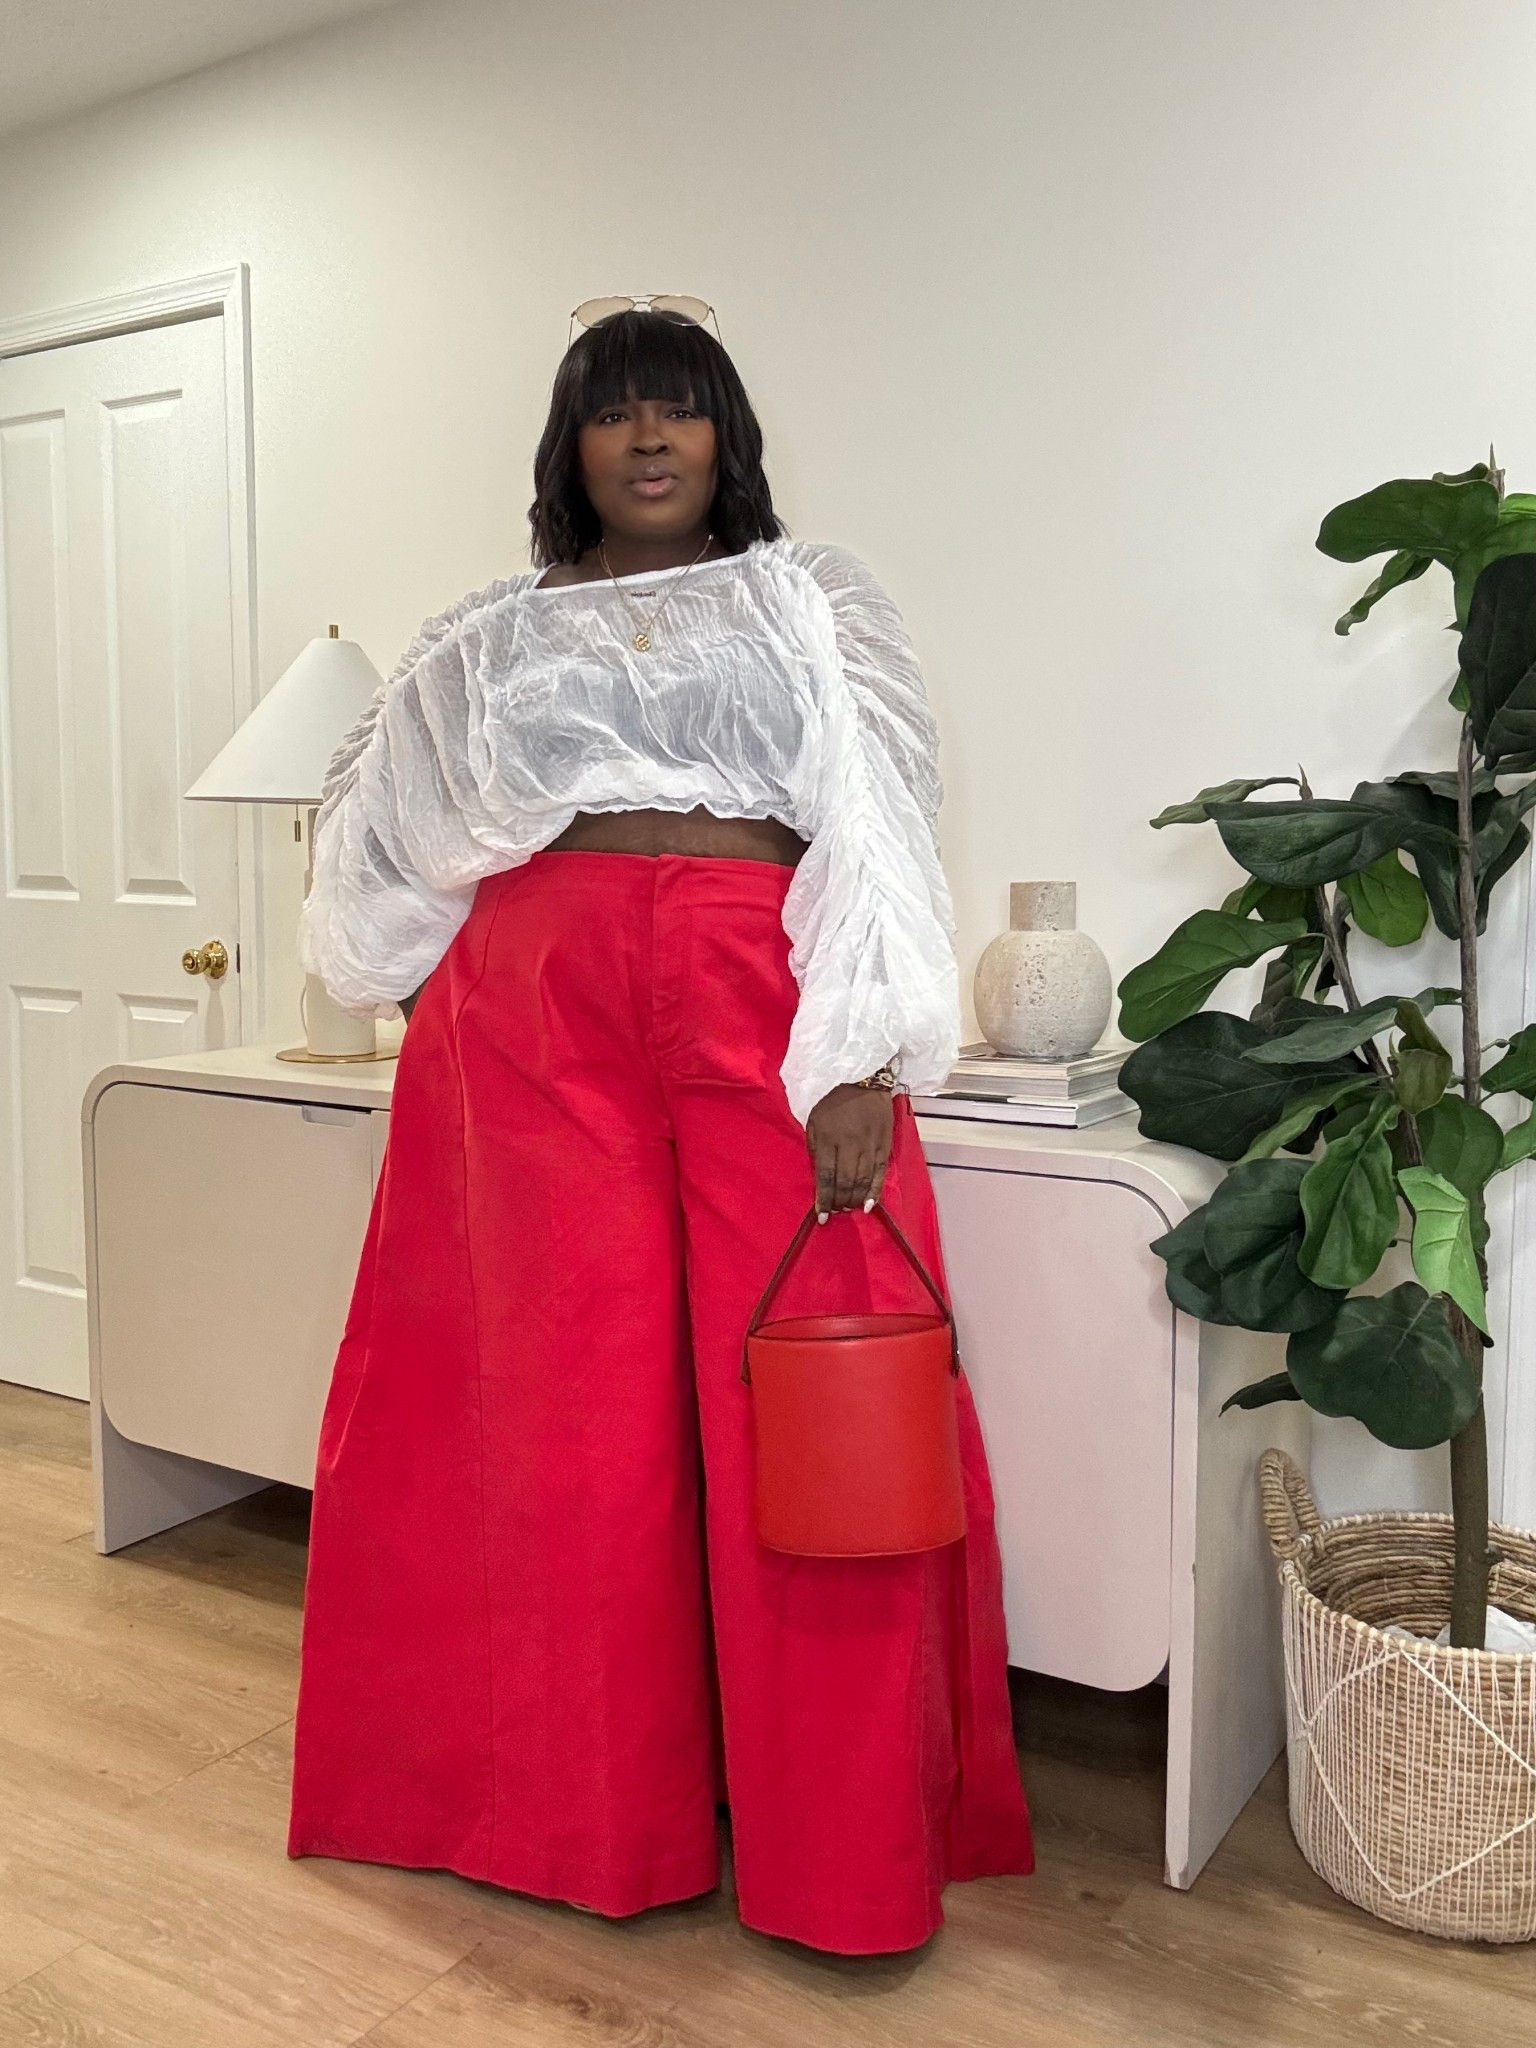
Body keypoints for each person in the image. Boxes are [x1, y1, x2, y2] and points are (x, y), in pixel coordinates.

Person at [285, 301, 1033, 1955]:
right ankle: (573, 1825)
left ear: (723, 440)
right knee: (558, 1416)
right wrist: (416, 973)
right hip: (529, 1005)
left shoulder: (810, 600)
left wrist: (859, 1050)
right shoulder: (487, 632)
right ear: (568, 447)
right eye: (612, 412)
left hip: (761, 986)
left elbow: (881, 813)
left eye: (677, 412)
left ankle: (839, 1869)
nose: (645, 438)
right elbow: (385, 820)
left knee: (803, 1412)